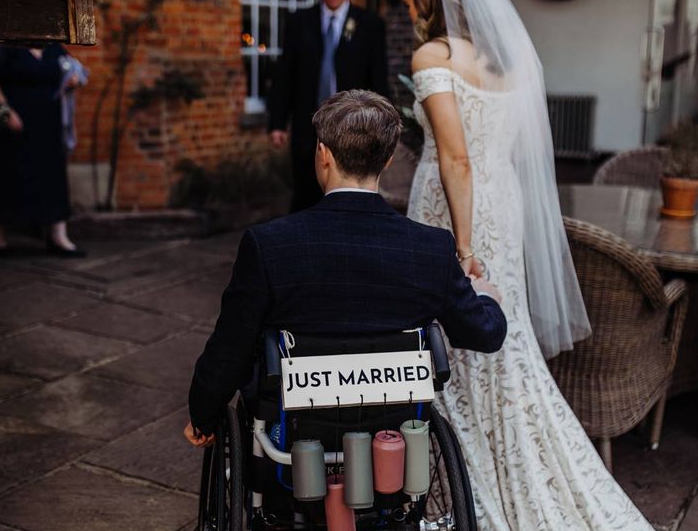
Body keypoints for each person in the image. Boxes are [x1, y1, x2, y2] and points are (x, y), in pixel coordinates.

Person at [401, 0, 698, 531]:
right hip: (502, 206)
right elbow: (504, 155)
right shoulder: (511, 64)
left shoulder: (433, 59)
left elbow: (454, 155)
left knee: (454, 335)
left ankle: (460, 488)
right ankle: (465, 480)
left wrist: (462, 243)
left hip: (461, 212)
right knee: (496, 345)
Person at [186, 89, 506, 443]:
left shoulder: (270, 245)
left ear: (323, 154)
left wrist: (204, 416)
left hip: (293, 432)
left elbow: (229, 349)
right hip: (392, 433)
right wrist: (485, 296)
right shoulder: (430, 248)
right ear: (386, 161)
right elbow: (483, 334)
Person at [268, 0, 389, 212]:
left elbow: (378, 77)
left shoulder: (369, 24)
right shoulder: (299, 22)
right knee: (304, 193)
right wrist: (277, 122)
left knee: (349, 191)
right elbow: (285, 73)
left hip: (354, 125)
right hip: (306, 124)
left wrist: (383, 123)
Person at [0, 43, 85, 256]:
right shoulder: (6, 44)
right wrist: (3, 112)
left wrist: (73, 80)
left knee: (52, 174)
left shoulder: (53, 46)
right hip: (12, 122)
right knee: (7, 173)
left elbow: (69, 70)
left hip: (49, 124)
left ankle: (58, 236)